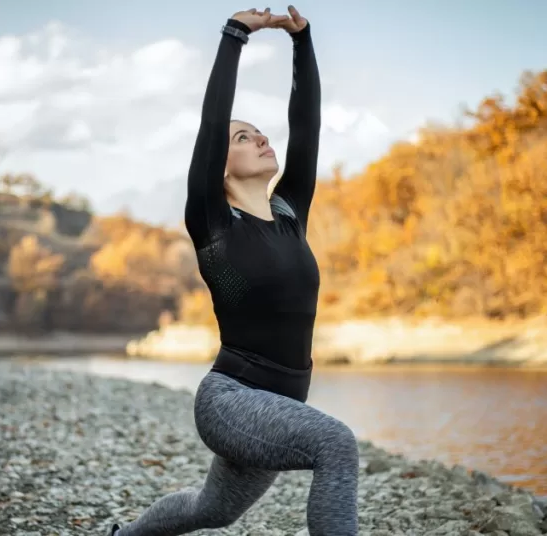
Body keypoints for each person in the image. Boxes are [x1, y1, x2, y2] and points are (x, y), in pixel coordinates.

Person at [109, 6, 359, 536]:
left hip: (278, 404)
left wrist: (302, 41)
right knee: (337, 445)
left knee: (212, 510)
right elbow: (211, 121)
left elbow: (306, 123)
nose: (261, 138)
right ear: (217, 166)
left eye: (259, 133)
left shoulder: (290, 215)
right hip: (231, 400)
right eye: (242, 137)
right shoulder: (213, 221)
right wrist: (236, 34)